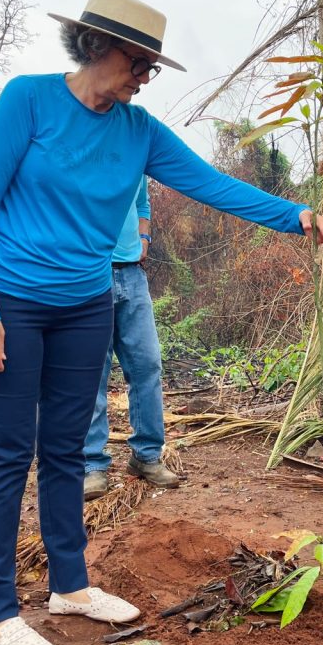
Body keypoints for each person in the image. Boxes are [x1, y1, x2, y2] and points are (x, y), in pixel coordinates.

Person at [0, 0, 323, 645]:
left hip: (84, 305)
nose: (146, 75)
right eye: (140, 61)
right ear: (98, 47)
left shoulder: (138, 132)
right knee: (9, 453)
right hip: (8, 301)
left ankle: (69, 585)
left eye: (152, 66)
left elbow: (210, 183)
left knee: (68, 451)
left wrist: (296, 215)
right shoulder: (29, 100)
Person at [83, 176, 177, 500]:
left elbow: (142, 202)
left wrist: (144, 237)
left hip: (133, 275)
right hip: (90, 273)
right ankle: (92, 465)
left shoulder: (134, 155)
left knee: (147, 364)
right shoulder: (85, 149)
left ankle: (146, 456)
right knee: (93, 372)